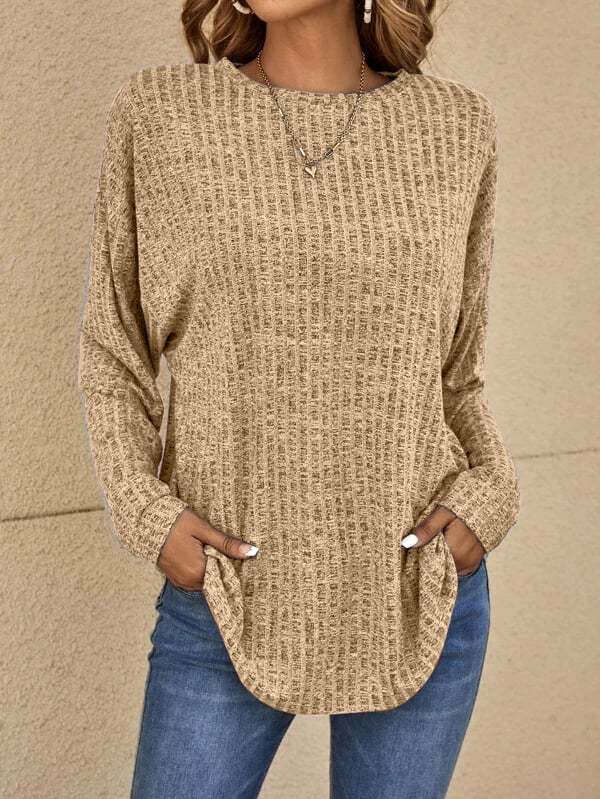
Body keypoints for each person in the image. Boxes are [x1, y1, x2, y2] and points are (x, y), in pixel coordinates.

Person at [77, 0, 521, 796]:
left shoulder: (457, 127)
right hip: (226, 595)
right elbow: (115, 349)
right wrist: (147, 511)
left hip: (418, 592)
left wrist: (492, 493)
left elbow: (456, 374)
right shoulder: (163, 114)